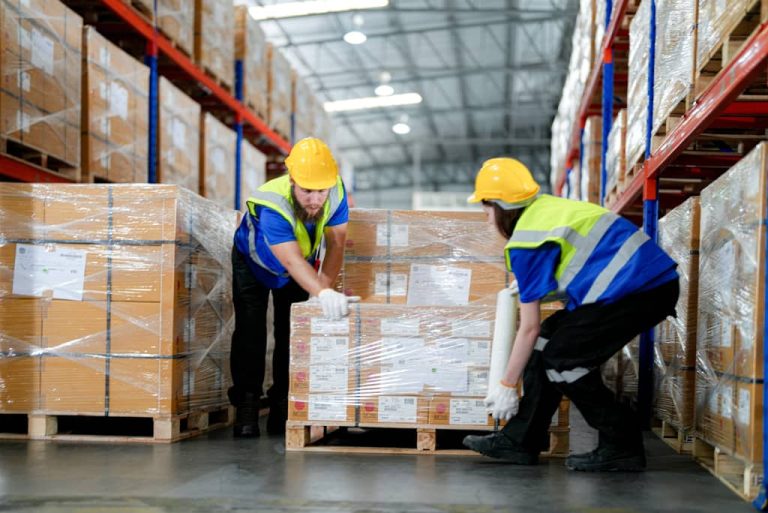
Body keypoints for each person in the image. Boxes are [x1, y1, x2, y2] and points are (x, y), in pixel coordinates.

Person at [462, 158, 679, 471]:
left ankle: (622, 444)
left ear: (499, 205)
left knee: (564, 361)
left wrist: (507, 385)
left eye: (485, 210)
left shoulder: (527, 240)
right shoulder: (543, 209)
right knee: (549, 342)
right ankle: (520, 441)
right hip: (635, 285)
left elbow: (529, 328)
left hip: (640, 290)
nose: (486, 219)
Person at [229, 137, 353, 438]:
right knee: (251, 328)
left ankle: (282, 406)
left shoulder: (335, 192)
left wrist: (321, 290)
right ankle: (246, 406)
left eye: (320, 191)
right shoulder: (273, 203)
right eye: (307, 191)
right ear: (292, 181)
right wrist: (321, 293)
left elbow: (336, 244)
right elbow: (293, 262)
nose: (315, 200)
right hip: (255, 262)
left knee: (291, 330)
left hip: (300, 267)